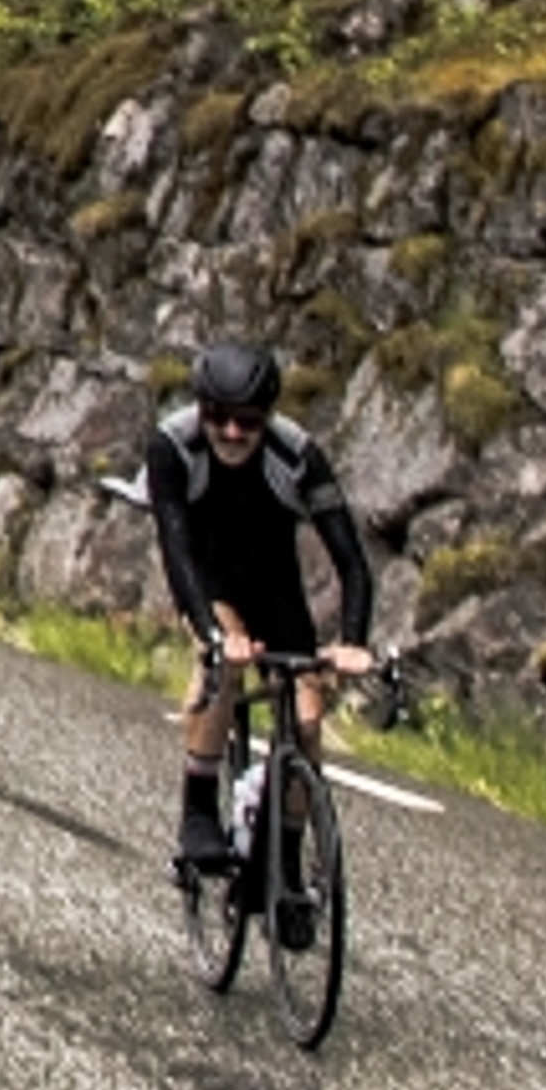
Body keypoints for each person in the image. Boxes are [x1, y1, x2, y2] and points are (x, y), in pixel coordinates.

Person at [146, 335, 376, 880]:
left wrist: (352, 642)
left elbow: (353, 563)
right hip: (209, 583)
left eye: (246, 421)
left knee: (306, 721)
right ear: (201, 409)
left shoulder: (296, 454)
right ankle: (198, 816)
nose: (230, 432)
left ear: (267, 417)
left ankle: (286, 864)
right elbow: (176, 551)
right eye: (218, 417)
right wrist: (210, 632)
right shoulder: (172, 446)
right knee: (222, 669)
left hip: (276, 589)